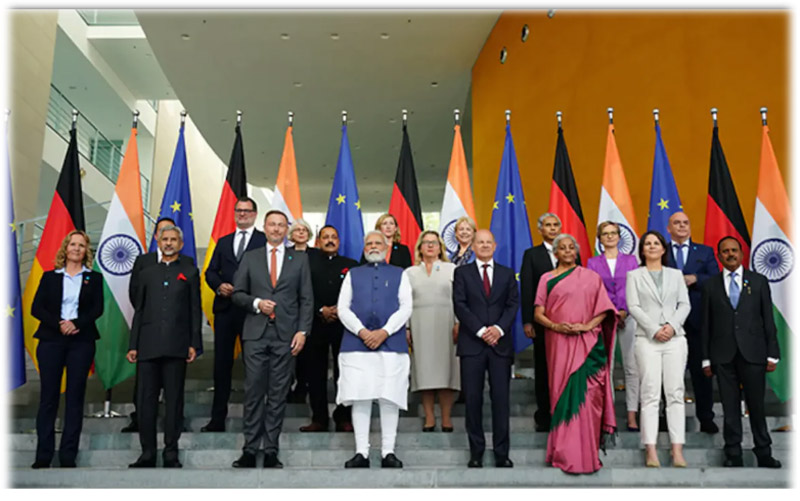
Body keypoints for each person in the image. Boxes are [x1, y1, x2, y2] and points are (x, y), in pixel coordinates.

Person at [230, 209, 313, 468]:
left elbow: (306, 299)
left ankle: (271, 450)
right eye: (272, 224)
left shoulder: (299, 259)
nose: (276, 229)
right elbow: (237, 293)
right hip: (255, 334)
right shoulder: (250, 257)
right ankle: (249, 449)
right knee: (254, 391)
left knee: (278, 394)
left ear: (286, 230)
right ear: (264, 228)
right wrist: (256, 303)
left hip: (286, 336)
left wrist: (302, 331)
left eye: (281, 225)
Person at [534, 234, 617, 474]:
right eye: (563, 248)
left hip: (588, 344)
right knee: (561, 394)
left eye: (572, 247)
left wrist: (587, 326)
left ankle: (588, 455)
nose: (568, 251)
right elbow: (538, 313)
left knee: (588, 398)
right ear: (555, 253)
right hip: (558, 341)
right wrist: (556, 326)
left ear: (577, 251)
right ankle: (563, 452)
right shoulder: (547, 279)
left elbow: (605, 309)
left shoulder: (591, 277)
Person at [701, 236, 781, 468]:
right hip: (722, 355)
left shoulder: (758, 281)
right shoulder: (710, 285)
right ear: (719, 256)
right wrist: (706, 358)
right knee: (730, 407)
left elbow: (768, 319)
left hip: (754, 353)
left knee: (756, 406)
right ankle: (733, 452)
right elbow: (706, 325)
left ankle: (763, 452)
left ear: (741, 253)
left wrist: (772, 353)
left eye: (734, 250)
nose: (730, 254)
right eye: (725, 251)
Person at [127, 225, 202, 468]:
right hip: (148, 345)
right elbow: (139, 310)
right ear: (158, 243)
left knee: (174, 402)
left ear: (181, 244)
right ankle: (147, 453)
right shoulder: (147, 273)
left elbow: (194, 310)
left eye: (173, 240)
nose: (169, 243)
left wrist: (194, 343)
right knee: (146, 403)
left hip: (177, 345)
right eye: (165, 239)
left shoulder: (189, 271)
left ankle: (171, 452)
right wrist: (133, 344)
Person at [336, 230, 413, 468]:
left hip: (391, 344)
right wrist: (361, 331)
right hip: (356, 344)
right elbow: (342, 308)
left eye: (377, 243)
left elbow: (406, 307)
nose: (373, 246)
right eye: (369, 243)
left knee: (390, 396)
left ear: (386, 246)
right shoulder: (353, 274)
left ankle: (388, 452)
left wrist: (385, 332)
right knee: (360, 396)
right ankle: (362, 452)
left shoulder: (400, 274)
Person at [30, 231, 103, 469]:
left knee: (75, 397)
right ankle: (43, 455)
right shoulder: (50, 277)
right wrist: (59, 324)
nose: (76, 248)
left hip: (81, 342)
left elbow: (97, 309)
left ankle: (68, 455)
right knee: (48, 398)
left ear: (86, 251)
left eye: (81, 245)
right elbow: (36, 308)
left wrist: (76, 323)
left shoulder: (94, 278)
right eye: (73, 244)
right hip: (51, 340)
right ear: (66, 248)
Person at [453, 229, 519, 468]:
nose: (484, 245)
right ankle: (476, 453)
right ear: (473, 246)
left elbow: (513, 305)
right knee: (472, 401)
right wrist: (481, 331)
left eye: (488, 242)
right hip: (472, 345)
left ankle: (502, 454)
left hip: (500, 345)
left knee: (501, 400)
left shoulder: (507, 273)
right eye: (479, 242)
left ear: (495, 245)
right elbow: (460, 305)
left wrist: (498, 330)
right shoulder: (462, 273)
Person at [201, 197, 266, 432]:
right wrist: (219, 286)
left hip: (252, 311)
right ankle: (217, 419)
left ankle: (255, 420)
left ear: (255, 214)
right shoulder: (224, 241)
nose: (242, 214)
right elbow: (210, 272)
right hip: (226, 310)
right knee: (221, 366)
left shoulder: (263, 240)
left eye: (247, 211)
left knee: (255, 368)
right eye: (239, 210)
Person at [626, 230, 691, 468]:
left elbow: (684, 304)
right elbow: (633, 306)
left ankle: (677, 450)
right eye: (647, 244)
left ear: (664, 249)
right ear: (642, 250)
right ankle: (651, 449)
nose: (652, 246)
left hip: (675, 339)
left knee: (675, 393)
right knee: (650, 394)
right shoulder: (634, 275)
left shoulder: (675, 274)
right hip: (647, 340)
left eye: (656, 243)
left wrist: (671, 326)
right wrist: (654, 329)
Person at [521, 212, 582, 432]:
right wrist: (527, 321)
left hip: (570, 323)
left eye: (556, 224)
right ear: (540, 229)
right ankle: (544, 416)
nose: (553, 228)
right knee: (543, 368)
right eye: (548, 225)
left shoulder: (572, 253)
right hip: (542, 322)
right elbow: (527, 287)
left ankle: (569, 412)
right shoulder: (532, 254)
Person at [297, 225, 358, 432]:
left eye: (334, 237)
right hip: (315, 324)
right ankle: (319, 419)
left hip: (344, 326)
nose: (330, 240)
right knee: (315, 374)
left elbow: (357, 294)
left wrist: (340, 310)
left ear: (339, 242)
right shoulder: (306, 264)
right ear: (318, 241)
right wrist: (320, 309)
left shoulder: (351, 265)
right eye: (325, 237)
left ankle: (344, 417)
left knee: (345, 373)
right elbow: (301, 292)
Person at [665, 211, 720, 434]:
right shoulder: (661, 251)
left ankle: (706, 417)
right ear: (669, 228)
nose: (681, 226)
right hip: (667, 320)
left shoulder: (705, 252)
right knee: (667, 372)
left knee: (701, 372)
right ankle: (665, 417)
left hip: (698, 320)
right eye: (677, 223)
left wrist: (696, 278)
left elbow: (716, 279)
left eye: (685, 223)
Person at [586, 221, 640, 431]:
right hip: (605, 318)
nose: (609, 236)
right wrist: (610, 312)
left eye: (613, 233)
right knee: (606, 368)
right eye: (605, 233)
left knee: (631, 368)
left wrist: (625, 309)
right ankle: (608, 416)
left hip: (630, 317)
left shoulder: (631, 260)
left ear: (619, 236)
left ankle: (632, 415)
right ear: (599, 238)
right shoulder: (592, 263)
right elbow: (593, 290)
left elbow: (635, 287)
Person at [405, 230, 459, 432]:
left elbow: (459, 298)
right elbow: (404, 302)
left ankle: (446, 418)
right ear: (420, 247)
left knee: (446, 372)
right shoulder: (410, 272)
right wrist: (406, 327)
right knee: (424, 372)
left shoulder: (451, 269)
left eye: (434, 242)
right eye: (426, 242)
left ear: (440, 247)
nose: (430, 246)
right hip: (419, 324)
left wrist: (458, 322)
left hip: (447, 323)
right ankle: (429, 417)